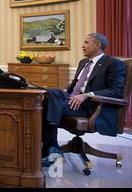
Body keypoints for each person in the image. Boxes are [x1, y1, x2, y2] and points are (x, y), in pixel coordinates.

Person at [42, 33, 126, 166]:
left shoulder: (113, 64)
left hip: (91, 106)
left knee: (47, 105)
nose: (82, 46)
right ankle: (51, 147)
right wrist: (62, 93)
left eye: (86, 42)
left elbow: (116, 91)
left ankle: (51, 147)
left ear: (97, 45)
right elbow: (73, 87)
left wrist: (87, 95)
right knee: (49, 94)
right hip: (73, 101)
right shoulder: (83, 62)